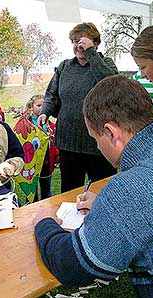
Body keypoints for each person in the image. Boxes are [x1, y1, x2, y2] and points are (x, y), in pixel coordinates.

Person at [33, 75, 153, 298]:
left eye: (95, 138)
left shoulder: (128, 190)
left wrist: (44, 224)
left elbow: (72, 266)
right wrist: (108, 208)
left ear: (112, 133)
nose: (97, 146)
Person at [37, 22, 118, 193]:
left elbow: (111, 84)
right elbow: (52, 94)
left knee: (103, 191)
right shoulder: (65, 66)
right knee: (69, 192)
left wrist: (91, 54)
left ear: (95, 44)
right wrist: (45, 111)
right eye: (75, 41)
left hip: (98, 143)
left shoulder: (105, 63)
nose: (78, 46)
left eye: (84, 42)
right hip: (68, 142)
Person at [25, 94, 58, 201]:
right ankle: (32, 208)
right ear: (31, 107)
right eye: (39, 105)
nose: (41, 108)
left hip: (47, 162)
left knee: (46, 190)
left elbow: (55, 145)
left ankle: (47, 209)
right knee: (31, 192)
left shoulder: (51, 125)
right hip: (31, 163)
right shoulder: (26, 124)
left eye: (43, 106)